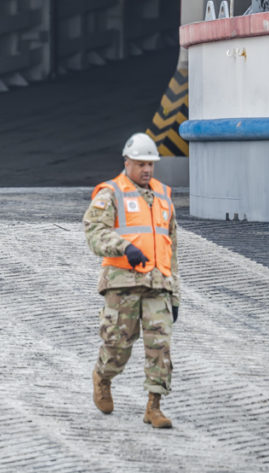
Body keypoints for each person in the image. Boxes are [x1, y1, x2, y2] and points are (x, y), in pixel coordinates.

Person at [83, 132, 180, 428]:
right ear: (127, 162)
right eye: (140, 164)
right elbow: (93, 231)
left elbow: (171, 249)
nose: (146, 170)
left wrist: (174, 293)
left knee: (159, 348)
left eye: (150, 164)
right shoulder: (111, 193)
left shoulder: (164, 196)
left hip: (158, 286)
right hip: (122, 283)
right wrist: (125, 248)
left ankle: (154, 407)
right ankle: (103, 376)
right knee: (118, 346)